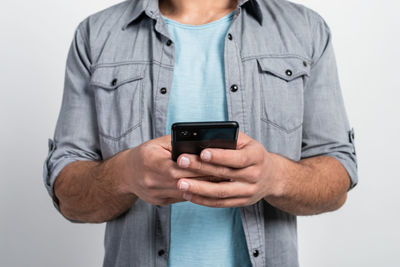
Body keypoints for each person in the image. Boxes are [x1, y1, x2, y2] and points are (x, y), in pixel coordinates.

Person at [42, 0, 358, 266]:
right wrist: (126, 173)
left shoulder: (305, 30)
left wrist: (275, 177)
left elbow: (337, 180)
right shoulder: (95, 36)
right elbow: (69, 196)